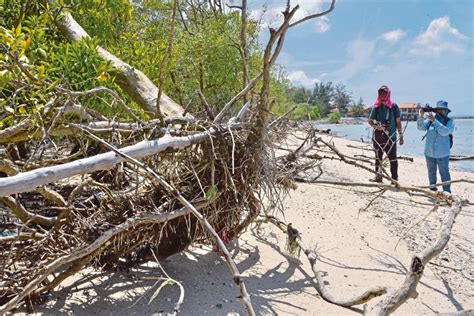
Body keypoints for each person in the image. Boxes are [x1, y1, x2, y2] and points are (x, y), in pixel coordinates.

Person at [367, 85, 404, 183]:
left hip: (391, 137)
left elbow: (398, 122)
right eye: (380, 93)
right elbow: (370, 121)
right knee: (378, 157)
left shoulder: (394, 107)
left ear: (388, 94)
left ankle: (394, 179)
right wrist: (377, 127)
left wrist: (401, 135)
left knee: (393, 159)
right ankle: (378, 177)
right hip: (378, 137)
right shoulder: (376, 107)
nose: (382, 95)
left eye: (384, 93)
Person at [417, 100, 455, 193]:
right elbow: (421, 128)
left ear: (446, 111)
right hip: (429, 152)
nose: (440, 111)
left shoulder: (450, 122)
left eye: (442, 110)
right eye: (438, 109)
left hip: (443, 154)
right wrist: (421, 116)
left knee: (444, 174)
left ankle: (447, 193)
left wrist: (435, 121)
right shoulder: (430, 119)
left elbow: (444, 132)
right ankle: (432, 190)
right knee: (431, 173)